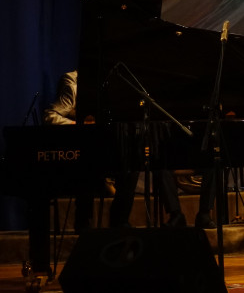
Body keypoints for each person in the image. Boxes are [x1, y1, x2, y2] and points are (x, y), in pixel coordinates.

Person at [44, 70, 185, 231]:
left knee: (134, 163)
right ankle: (83, 220)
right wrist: (78, 127)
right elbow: (50, 116)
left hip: (114, 143)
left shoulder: (120, 83)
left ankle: (120, 219)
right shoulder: (74, 82)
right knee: (89, 164)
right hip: (88, 148)